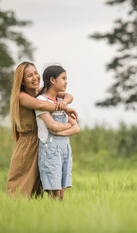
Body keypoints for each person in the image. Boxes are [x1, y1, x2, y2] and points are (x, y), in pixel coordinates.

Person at [6, 61, 78, 198]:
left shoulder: (41, 92)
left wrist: (65, 103)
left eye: (35, 73)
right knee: (21, 187)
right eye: (29, 75)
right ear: (21, 81)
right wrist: (65, 108)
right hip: (28, 144)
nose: (35, 78)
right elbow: (41, 105)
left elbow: (68, 96)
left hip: (44, 143)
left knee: (44, 186)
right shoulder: (21, 97)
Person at [35, 65, 80, 200]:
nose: (66, 82)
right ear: (52, 80)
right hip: (50, 150)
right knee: (54, 194)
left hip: (65, 148)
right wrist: (67, 126)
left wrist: (60, 132)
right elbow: (52, 125)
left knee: (61, 192)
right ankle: (52, 217)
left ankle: (59, 217)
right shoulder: (41, 101)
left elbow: (76, 128)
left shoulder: (60, 102)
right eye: (63, 78)